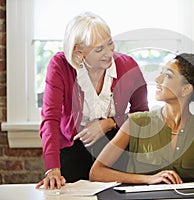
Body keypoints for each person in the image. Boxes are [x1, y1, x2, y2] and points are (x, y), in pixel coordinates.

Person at [35, 12, 149, 190]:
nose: (109, 53)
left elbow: (142, 115)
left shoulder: (128, 66)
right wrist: (52, 168)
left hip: (115, 145)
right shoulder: (60, 65)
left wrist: (109, 123)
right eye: (99, 49)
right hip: (73, 146)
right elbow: (50, 119)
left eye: (110, 43)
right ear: (79, 53)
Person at [89, 49, 194, 185]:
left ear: (186, 89)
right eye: (161, 73)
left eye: (168, 75)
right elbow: (96, 172)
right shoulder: (136, 122)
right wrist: (148, 179)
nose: (158, 79)